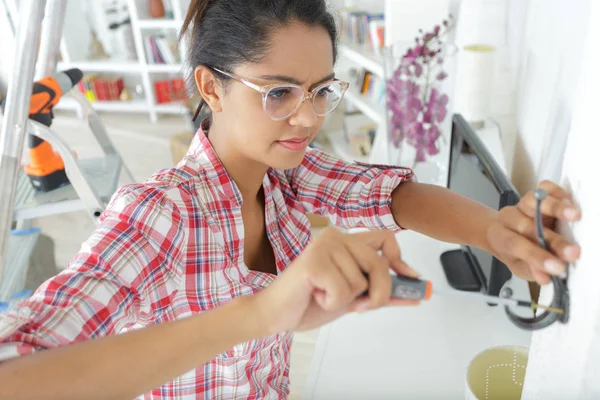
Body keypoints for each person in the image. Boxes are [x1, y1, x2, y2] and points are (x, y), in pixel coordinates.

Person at [0, 0, 581, 399]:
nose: (306, 118)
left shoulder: (285, 174)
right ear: (211, 87)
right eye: (278, 92)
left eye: (320, 91)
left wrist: (494, 231)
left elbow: (396, 196)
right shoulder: (158, 214)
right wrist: (260, 311)